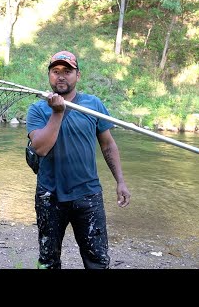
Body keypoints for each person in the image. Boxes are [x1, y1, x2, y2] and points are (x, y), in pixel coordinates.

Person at [26, 50, 131, 269]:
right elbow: (41, 148)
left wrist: (120, 181)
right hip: (49, 196)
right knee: (48, 262)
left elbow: (108, 144)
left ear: (78, 75)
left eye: (67, 71)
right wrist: (57, 113)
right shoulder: (37, 109)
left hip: (88, 194)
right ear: (49, 76)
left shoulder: (92, 105)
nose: (61, 76)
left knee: (97, 261)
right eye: (55, 71)